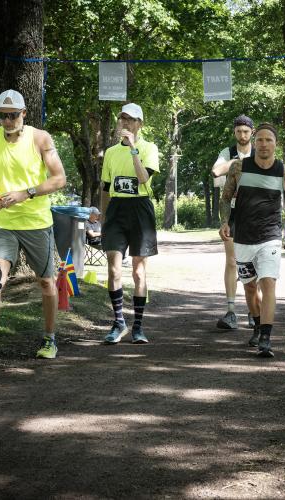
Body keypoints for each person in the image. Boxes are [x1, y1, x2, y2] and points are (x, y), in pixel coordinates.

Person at [0, 89, 67, 366]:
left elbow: (59, 179)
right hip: (4, 223)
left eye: (13, 115)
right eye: (3, 116)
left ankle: (49, 339)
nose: (8, 121)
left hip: (37, 223)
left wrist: (27, 193)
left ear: (24, 113)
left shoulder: (40, 138)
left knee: (46, 282)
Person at [219, 123, 285, 358]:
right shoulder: (239, 168)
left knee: (268, 283)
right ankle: (256, 324)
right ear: (254, 143)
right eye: (260, 140)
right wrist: (225, 221)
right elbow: (225, 198)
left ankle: (266, 338)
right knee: (250, 287)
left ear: (276, 144)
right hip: (242, 236)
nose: (264, 144)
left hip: (270, 236)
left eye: (269, 140)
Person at [100, 103, 159, 345]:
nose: (126, 123)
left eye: (131, 120)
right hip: (116, 210)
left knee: (138, 271)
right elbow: (105, 188)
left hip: (140, 209)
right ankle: (118, 322)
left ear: (140, 124)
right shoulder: (111, 152)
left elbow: (144, 178)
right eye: (123, 119)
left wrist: (133, 148)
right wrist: (104, 218)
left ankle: (138, 326)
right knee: (113, 268)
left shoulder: (149, 148)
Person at [211, 114, 256, 330]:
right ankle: (231, 311)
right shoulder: (227, 153)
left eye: (246, 131)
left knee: (254, 263)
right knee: (231, 261)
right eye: (239, 131)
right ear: (234, 133)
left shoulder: (260, 152)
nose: (242, 135)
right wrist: (237, 163)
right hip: (233, 213)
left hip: (256, 214)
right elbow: (216, 171)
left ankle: (253, 309)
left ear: (252, 132)